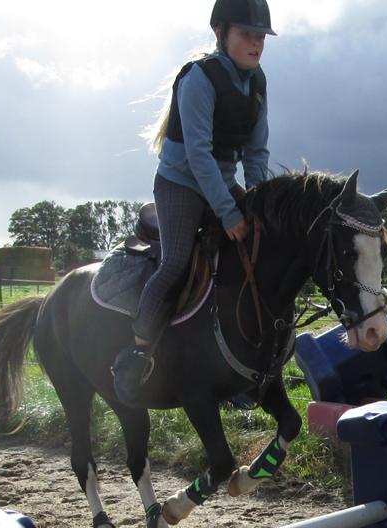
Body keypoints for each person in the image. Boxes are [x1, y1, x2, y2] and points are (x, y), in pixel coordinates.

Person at [112, 0, 275, 406]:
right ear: (221, 34)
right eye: (247, 34)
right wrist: (229, 212)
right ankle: (136, 353)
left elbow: (256, 155)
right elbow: (199, 156)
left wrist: (256, 207)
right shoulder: (199, 78)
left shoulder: (257, 84)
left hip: (218, 181)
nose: (256, 44)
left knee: (257, 249)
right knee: (177, 262)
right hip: (181, 183)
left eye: (260, 37)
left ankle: (238, 362)